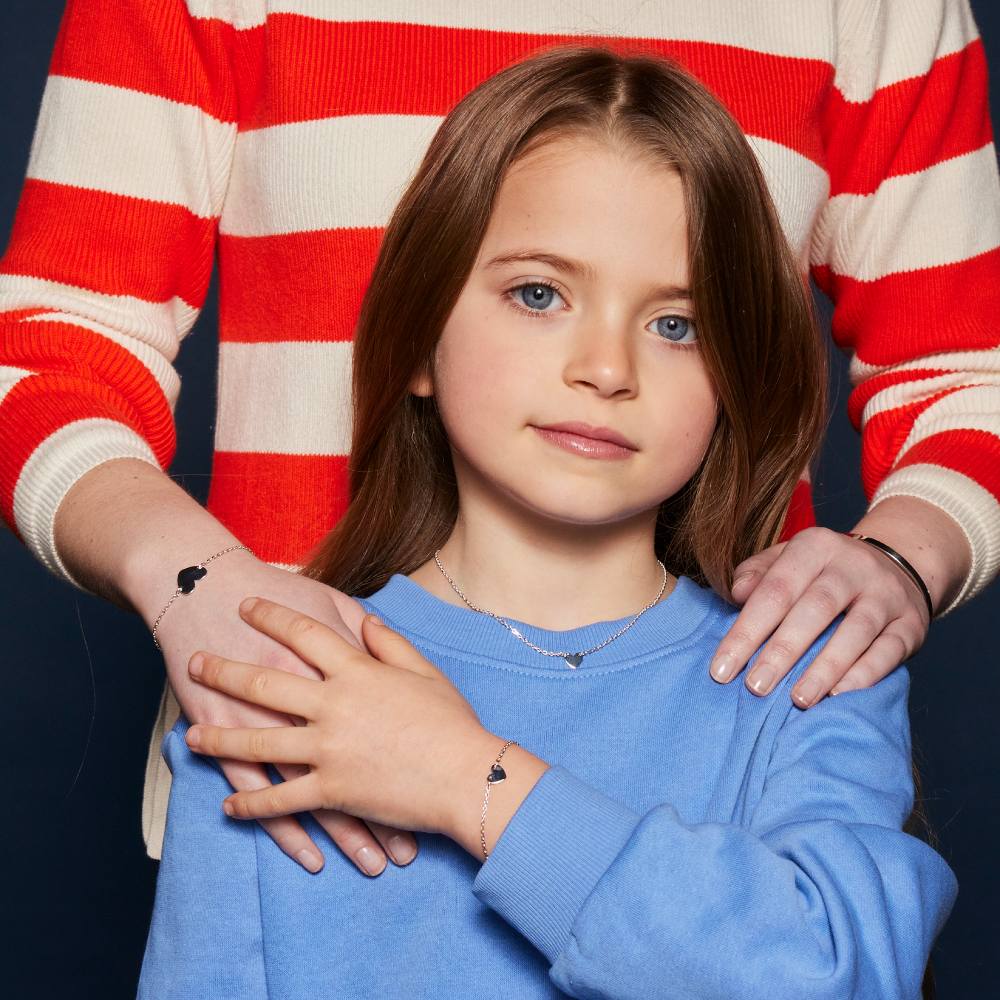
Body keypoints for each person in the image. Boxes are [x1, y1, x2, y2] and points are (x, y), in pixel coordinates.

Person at [0, 1, 995, 881]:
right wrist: (199, 585)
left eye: (677, 323)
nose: (605, 370)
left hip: (716, 780)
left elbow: (969, 373)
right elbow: (48, 355)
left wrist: (903, 556)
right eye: (536, 294)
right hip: (302, 787)